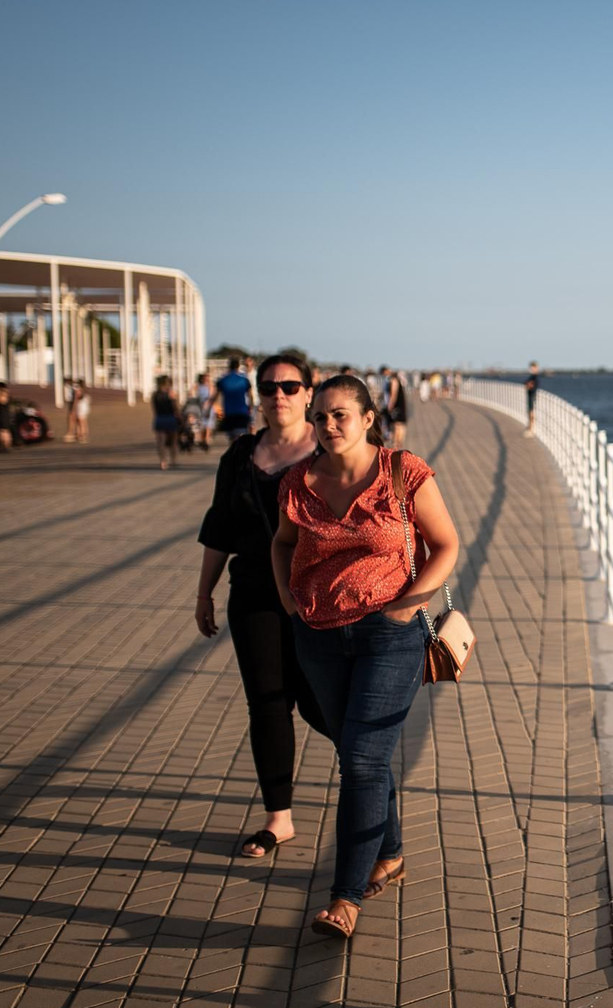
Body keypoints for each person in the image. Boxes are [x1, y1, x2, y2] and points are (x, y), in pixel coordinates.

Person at [271, 375, 460, 939]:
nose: (328, 426)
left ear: (368, 418)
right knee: (361, 753)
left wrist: (407, 606)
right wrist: (287, 599)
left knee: (359, 760)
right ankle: (392, 851)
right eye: (321, 416)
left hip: (389, 634)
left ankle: (346, 898)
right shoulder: (297, 482)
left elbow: (446, 544)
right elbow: (282, 542)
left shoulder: (402, 472)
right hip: (319, 636)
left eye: (340, 416)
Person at [196, 354, 328, 859]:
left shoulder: (330, 451)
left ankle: (371, 795)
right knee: (269, 704)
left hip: (321, 598)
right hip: (253, 593)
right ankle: (279, 818)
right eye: (270, 387)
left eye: (291, 387)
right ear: (257, 393)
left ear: (309, 392)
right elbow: (220, 528)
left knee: (325, 703)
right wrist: (204, 593)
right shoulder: (239, 455)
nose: (280, 396)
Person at [216, 358, 253, 442]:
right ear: (238, 366)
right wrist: (250, 407)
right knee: (241, 435)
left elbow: (216, 397)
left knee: (232, 438)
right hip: (242, 411)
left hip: (229, 413)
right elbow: (250, 396)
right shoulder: (244, 380)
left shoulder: (223, 380)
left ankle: (234, 452)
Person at [152, 375, 180, 469]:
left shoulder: (155, 394)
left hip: (159, 418)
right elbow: (175, 407)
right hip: (170, 418)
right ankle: (173, 460)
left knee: (160, 442)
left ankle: (163, 461)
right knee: (173, 442)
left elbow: (154, 408)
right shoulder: (171, 393)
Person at [381, 366, 408, 449]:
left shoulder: (393, 379)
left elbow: (393, 394)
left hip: (397, 405)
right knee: (399, 424)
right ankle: (397, 444)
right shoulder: (395, 379)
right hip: (399, 404)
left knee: (398, 424)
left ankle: (396, 444)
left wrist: (390, 406)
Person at [192, 373, 216, 450]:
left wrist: (207, 403)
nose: (206, 379)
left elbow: (212, 396)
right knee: (201, 424)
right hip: (200, 407)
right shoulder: (197, 386)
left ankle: (207, 439)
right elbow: (192, 394)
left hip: (209, 407)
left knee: (208, 425)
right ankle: (203, 440)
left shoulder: (210, 386)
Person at [523, 361, 540, 436]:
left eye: (533, 367)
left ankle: (531, 429)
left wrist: (529, 385)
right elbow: (526, 383)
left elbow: (532, 385)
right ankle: (530, 428)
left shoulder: (535, 377)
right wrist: (528, 384)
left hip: (532, 396)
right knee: (530, 412)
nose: (532, 369)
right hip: (530, 395)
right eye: (531, 368)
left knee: (531, 413)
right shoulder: (532, 376)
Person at [0, 382, 13, 453]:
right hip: (3, 415)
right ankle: (4, 446)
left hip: (3, 415)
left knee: (4, 432)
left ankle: (6, 447)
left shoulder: (4, 393)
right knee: (3, 432)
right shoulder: (4, 393)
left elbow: (1, 400)